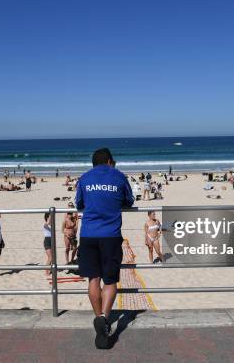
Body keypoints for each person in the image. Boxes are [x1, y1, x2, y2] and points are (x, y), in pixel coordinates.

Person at [75, 148, 134, 349]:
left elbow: (79, 203)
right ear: (109, 161)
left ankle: (98, 317)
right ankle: (104, 318)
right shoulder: (118, 176)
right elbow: (129, 200)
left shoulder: (84, 177)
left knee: (93, 279)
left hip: (88, 233)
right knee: (110, 281)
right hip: (110, 235)